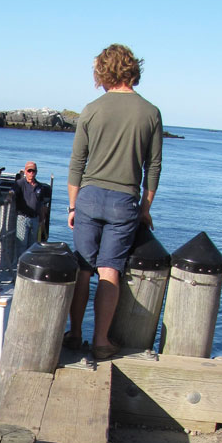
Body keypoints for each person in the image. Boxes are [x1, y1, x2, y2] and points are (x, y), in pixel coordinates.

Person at [66, 43, 162, 360]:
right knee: (109, 272)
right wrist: (145, 209)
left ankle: (75, 333)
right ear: (133, 69)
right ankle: (102, 341)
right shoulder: (150, 112)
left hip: (89, 198)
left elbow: (77, 163)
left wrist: (72, 205)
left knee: (83, 268)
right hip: (124, 200)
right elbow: (154, 167)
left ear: (102, 72)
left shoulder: (92, 109)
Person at [13, 161, 49, 257]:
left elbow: (41, 204)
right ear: (25, 171)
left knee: (32, 245)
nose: (31, 173)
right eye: (29, 171)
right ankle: (19, 265)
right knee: (21, 244)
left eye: (33, 171)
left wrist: (42, 220)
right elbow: (12, 192)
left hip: (35, 219)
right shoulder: (20, 183)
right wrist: (9, 196)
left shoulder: (40, 186)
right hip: (22, 218)